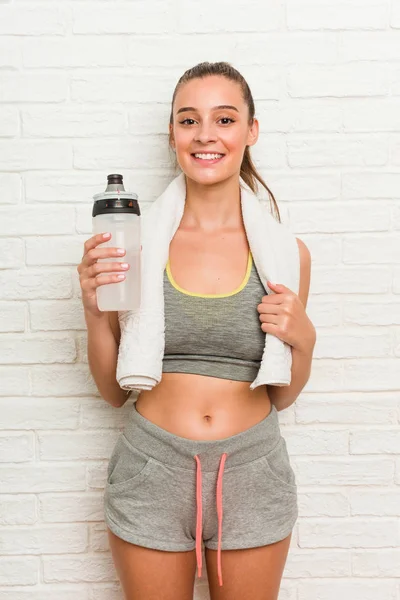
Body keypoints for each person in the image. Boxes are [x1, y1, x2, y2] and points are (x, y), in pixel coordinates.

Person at [77, 61, 316, 600]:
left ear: (250, 131)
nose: (206, 134)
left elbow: (282, 395)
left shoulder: (285, 254)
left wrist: (305, 338)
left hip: (252, 472)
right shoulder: (132, 246)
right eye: (189, 120)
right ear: (172, 134)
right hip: (151, 469)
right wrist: (94, 311)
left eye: (225, 119)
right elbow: (114, 392)